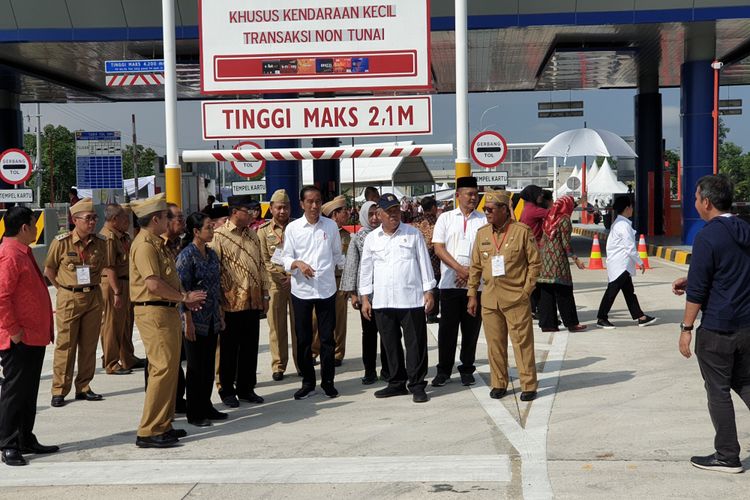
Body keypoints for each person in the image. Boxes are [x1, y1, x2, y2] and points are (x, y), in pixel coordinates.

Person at [673, 175, 750, 474]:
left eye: (695, 198)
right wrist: (690, 278)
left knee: (717, 390)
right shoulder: (745, 229)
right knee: (745, 384)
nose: (695, 203)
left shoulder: (706, 236)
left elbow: (699, 291)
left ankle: (727, 455)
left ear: (706, 201)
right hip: (746, 325)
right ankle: (727, 453)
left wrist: (686, 329)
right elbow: (729, 268)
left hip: (717, 329)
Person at [129, 193, 206, 448]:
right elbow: (153, 284)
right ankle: (149, 430)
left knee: (169, 369)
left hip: (166, 311)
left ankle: (163, 424)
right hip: (154, 311)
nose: (169, 220)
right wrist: (184, 297)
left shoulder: (156, 243)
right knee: (161, 369)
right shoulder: (145, 245)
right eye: (165, 217)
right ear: (155, 219)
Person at [359, 193, 436, 403]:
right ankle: (396, 383)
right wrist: (365, 297)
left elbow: (424, 263)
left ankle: (417, 385)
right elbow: (365, 269)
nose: (394, 215)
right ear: (379, 214)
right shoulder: (371, 239)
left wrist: (429, 291)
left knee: (415, 345)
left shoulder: (413, 234)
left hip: (410, 298)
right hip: (383, 300)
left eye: (396, 211)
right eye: (389, 211)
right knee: (390, 344)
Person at [467, 190, 541, 401]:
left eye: (490, 209)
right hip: (490, 299)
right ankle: (499, 383)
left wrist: (526, 291)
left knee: (522, 344)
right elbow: (475, 267)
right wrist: (472, 294)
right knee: (495, 345)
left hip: (516, 298)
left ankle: (528, 385)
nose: (486, 213)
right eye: (484, 209)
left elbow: (535, 263)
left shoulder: (522, 231)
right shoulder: (482, 234)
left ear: (503, 209)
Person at [0, 207, 58, 466]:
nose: (36, 229)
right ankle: (8, 443)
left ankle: (24, 437)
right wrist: (14, 331)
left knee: (28, 391)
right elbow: (1, 297)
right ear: (24, 227)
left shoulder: (22, 252)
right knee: (14, 391)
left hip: (33, 336)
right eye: (34, 225)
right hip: (19, 337)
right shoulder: (10, 255)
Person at [44, 197, 114, 407]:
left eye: (94, 218)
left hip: (93, 296)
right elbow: (49, 270)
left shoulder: (101, 243)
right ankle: (59, 389)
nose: (92, 222)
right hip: (69, 297)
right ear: (75, 220)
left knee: (89, 345)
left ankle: (83, 386)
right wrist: (64, 289)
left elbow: (104, 267)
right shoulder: (61, 242)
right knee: (66, 345)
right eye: (88, 218)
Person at [281, 185, 344, 400]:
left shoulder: (331, 227)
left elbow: (338, 256)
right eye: (310, 201)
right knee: (303, 339)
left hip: (326, 289)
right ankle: (308, 382)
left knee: (327, 339)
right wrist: (298, 263)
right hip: (302, 291)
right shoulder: (293, 229)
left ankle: (328, 382)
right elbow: (285, 258)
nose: (314, 206)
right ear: (302, 204)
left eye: (318, 201)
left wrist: (351, 278)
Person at [211, 195, 269, 407]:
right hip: (230, 302)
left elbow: (261, 265)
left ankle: (246, 388)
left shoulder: (253, 235)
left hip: (253, 301)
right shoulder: (218, 236)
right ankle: (226, 390)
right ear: (235, 212)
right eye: (249, 210)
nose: (253, 214)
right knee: (228, 349)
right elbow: (214, 271)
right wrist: (217, 302)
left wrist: (265, 294)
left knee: (249, 347)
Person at [431, 176, 486, 387]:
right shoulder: (445, 218)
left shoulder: (483, 220)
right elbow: (439, 248)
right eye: (469, 194)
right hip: (449, 283)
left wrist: (471, 274)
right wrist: (459, 269)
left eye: (476, 194)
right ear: (458, 195)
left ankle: (467, 369)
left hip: (475, 285)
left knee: (471, 329)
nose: (474, 198)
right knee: (447, 329)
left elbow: (485, 251)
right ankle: (443, 370)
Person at [176, 212, 227, 427]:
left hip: (212, 316)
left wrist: (221, 312)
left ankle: (206, 405)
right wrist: (186, 320)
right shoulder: (187, 256)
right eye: (208, 227)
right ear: (196, 231)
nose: (212, 230)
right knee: (196, 368)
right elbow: (181, 289)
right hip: (194, 319)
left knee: (208, 365)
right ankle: (194, 412)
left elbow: (217, 285)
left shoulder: (212, 254)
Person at [341, 201, 389, 385]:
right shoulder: (358, 237)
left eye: (377, 214)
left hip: (385, 292)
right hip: (366, 294)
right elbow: (352, 265)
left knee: (388, 333)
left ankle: (388, 368)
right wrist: (354, 293)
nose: (375, 218)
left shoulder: (387, 233)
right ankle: (369, 370)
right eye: (370, 215)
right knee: (368, 334)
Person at [595, 196, 657, 329]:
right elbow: (630, 247)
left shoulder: (619, 223)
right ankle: (601, 317)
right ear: (627, 208)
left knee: (629, 292)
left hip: (620, 264)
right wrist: (640, 262)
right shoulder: (623, 226)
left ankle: (641, 317)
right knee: (612, 292)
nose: (632, 209)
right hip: (621, 265)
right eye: (631, 207)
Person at [258, 189, 298, 381]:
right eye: (279, 208)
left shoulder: (298, 227)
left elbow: (304, 254)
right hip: (275, 284)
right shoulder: (263, 231)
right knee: (276, 326)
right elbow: (264, 259)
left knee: (299, 326)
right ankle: (278, 365)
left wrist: (292, 274)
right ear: (271, 209)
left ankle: (302, 363)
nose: (283, 211)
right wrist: (280, 275)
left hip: (297, 281)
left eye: (286, 207)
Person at [99, 203, 144, 375]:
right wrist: (117, 291)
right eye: (126, 218)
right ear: (115, 219)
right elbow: (110, 267)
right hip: (114, 284)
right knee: (113, 323)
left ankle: (128, 357)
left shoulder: (122, 236)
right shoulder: (109, 238)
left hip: (125, 282)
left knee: (126, 322)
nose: (128, 222)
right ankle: (111, 362)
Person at [536, 196, 587, 333]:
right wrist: (575, 259)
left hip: (545, 260)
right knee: (564, 292)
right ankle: (572, 323)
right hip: (558, 261)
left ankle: (548, 324)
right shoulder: (564, 219)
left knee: (547, 293)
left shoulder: (549, 218)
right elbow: (565, 243)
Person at [313, 195, 351, 366]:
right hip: (321, 280)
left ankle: (337, 353)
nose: (348, 213)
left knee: (340, 319)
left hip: (340, 280)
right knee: (316, 319)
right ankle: (314, 351)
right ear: (335, 214)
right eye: (344, 211)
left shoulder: (347, 235)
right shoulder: (322, 231)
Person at [162, 202, 188, 412]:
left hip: (180, 305)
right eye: (178, 217)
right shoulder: (156, 245)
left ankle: (177, 400)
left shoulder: (179, 244)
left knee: (177, 357)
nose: (182, 221)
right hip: (164, 307)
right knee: (163, 359)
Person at [411, 196, 441, 324]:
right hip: (434, 260)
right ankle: (432, 313)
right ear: (433, 207)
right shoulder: (437, 222)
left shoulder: (415, 222)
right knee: (434, 287)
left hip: (417, 261)